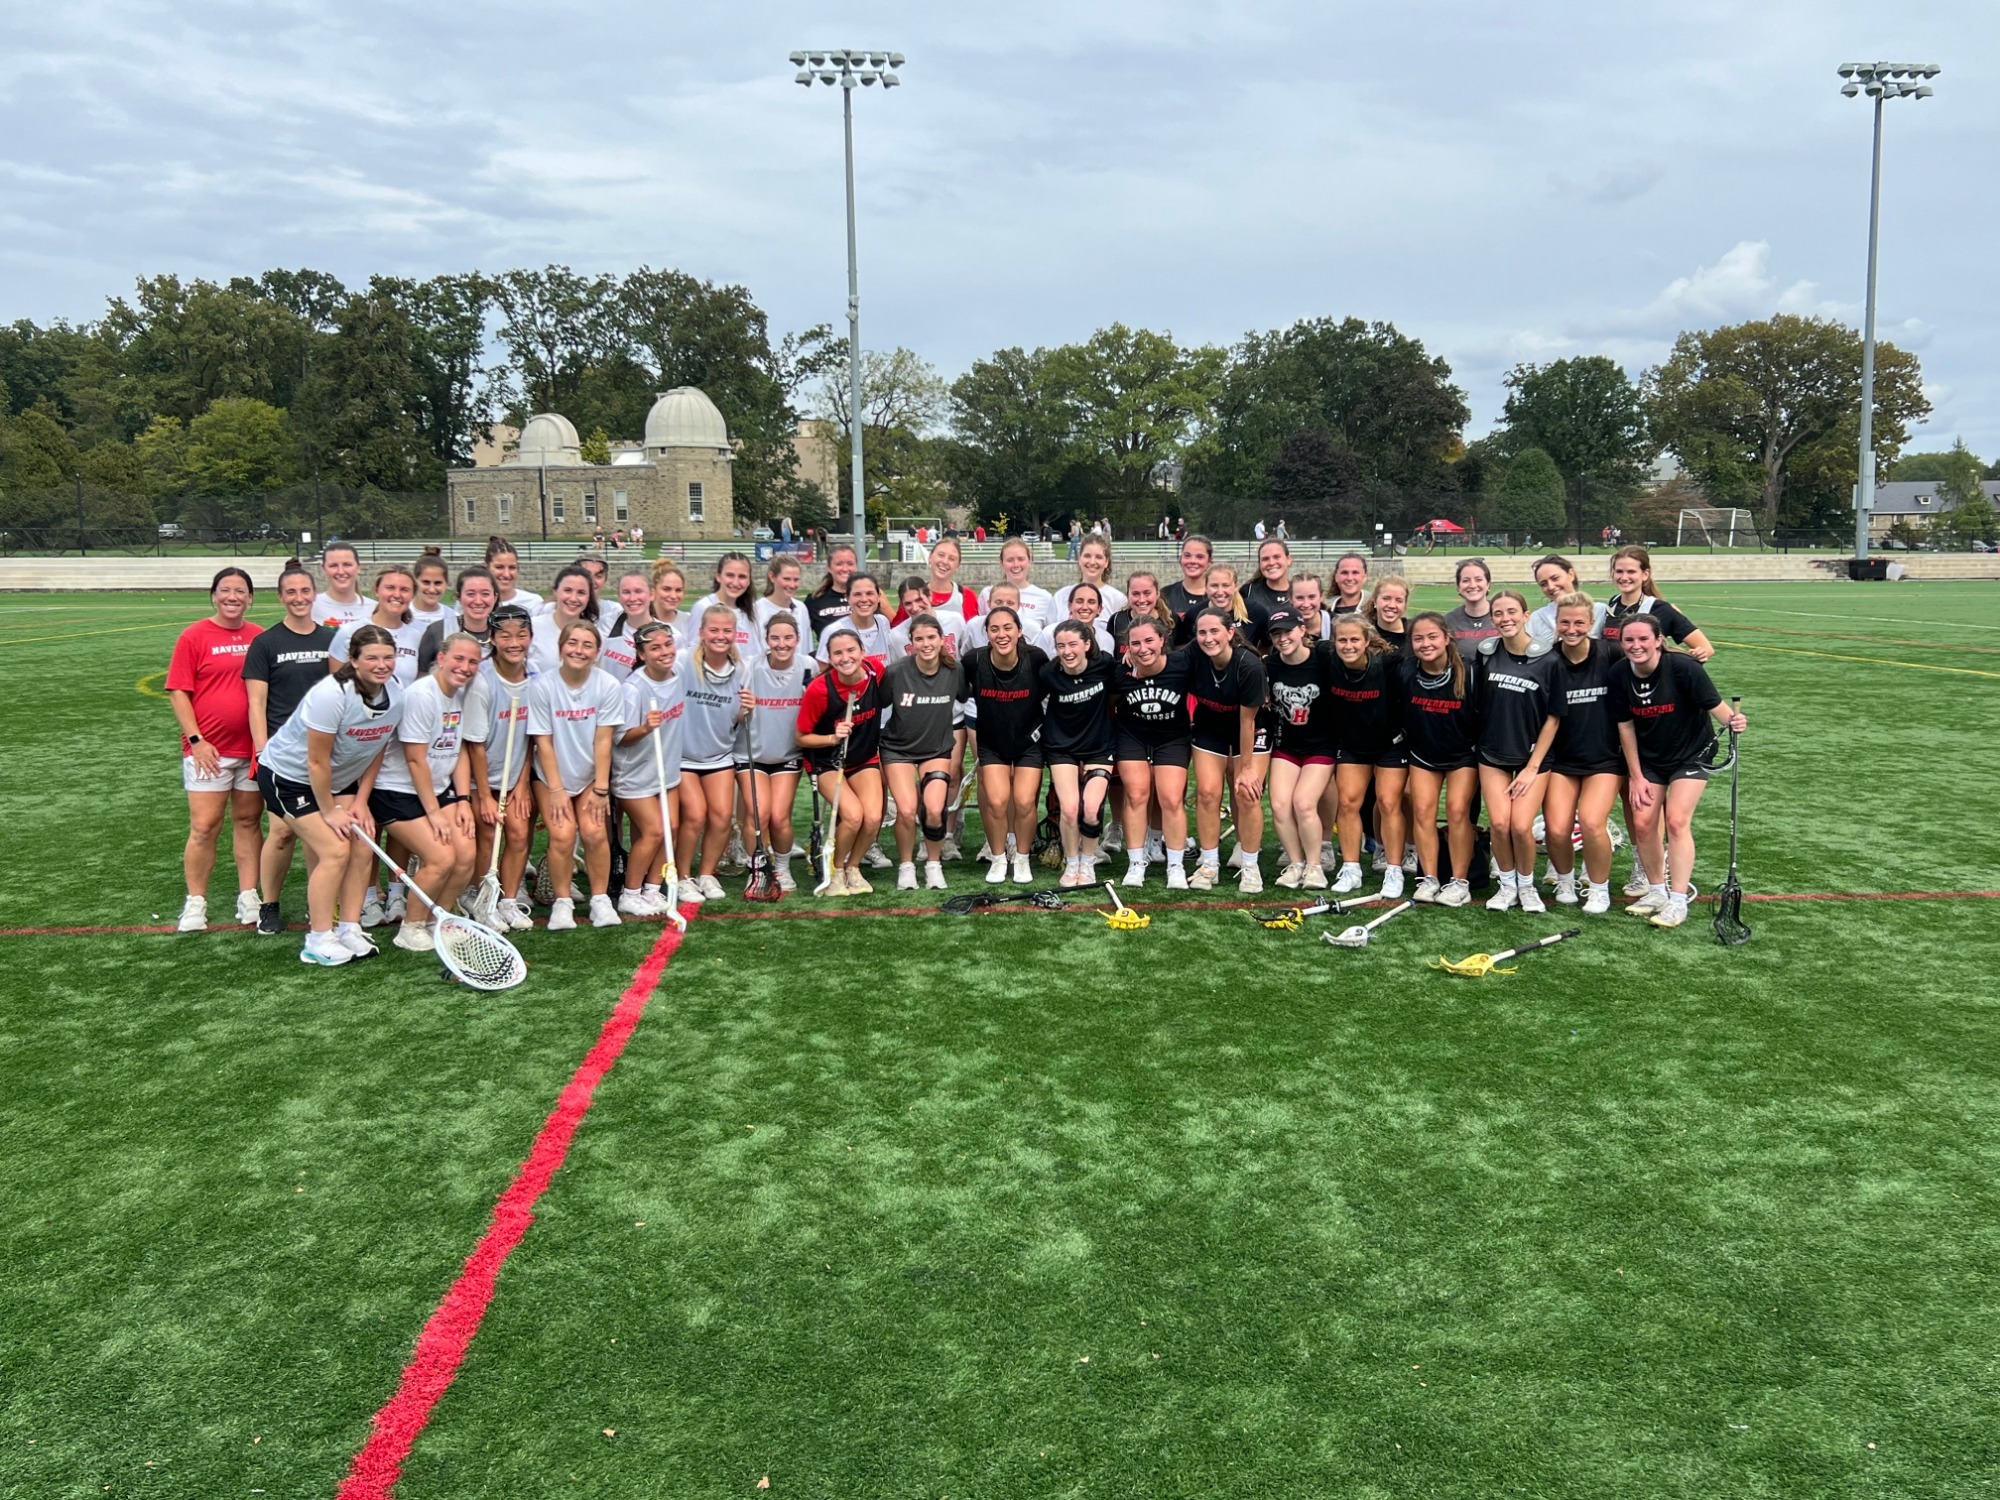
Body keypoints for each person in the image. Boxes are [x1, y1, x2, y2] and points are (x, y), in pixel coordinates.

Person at [254, 625, 405, 965]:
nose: (381, 665)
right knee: (335, 849)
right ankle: (318, 939)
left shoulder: (396, 693)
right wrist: (330, 811)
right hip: (289, 777)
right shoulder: (331, 695)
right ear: (353, 660)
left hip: (340, 779)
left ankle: (350, 929)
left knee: (362, 844)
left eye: (388, 657)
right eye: (372, 658)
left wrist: (362, 800)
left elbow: (376, 747)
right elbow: (316, 760)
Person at [1611, 616, 1747, 929]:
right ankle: (1656, 891)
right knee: (1644, 822)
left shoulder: (1684, 668)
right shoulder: (1618, 674)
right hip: (1650, 759)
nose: (1636, 646)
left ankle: (1677, 899)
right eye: (1629, 640)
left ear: (1659, 640)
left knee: (1675, 819)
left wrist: (1736, 721)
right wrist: (1636, 775)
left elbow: (1719, 709)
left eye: (1643, 639)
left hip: (1691, 755)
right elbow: (1625, 726)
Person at [166, 567, 265, 932]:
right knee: (205, 826)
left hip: (252, 750)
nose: (232, 597)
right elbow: (178, 691)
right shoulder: (194, 636)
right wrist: (196, 740)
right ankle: (196, 901)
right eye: (225, 590)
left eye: (240, 591)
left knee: (248, 822)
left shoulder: (260, 637)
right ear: (213, 595)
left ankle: (248, 894)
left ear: (251, 598)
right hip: (209, 752)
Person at [370, 633, 482, 952]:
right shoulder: (422, 694)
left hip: (437, 788)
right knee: (441, 858)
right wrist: (434, 814)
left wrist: (461, 800)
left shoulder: (459, 694)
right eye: (458, 658)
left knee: (466, 857)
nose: (465, 667)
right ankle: (411, 926)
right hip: (397, 791)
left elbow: (457, 750)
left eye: (472, 661)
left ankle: (440, 920)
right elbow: (415, 759)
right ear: (442, 658)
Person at [244, 559, 335, 933]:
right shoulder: (266, 643)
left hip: (320, 754)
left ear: (315, 595)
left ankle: (321, 910)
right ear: (281, 597)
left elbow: (339, 698)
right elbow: (256, 703)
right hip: (281, 758)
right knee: (281, 832)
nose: (299, 598)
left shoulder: (330, 641)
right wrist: (263, 751)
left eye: (305, 590)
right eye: (291, 592)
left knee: (319, 838)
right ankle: (270, 905)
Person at [526, 620, 626, 930]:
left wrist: (599, 788)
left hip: (589, 779)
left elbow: (603, 740)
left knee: (595, 833)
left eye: (587, 645)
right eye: (573, 643)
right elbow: (543, 741)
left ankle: (600, 901)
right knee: (562, 834)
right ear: (560, 648)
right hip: (550, 776)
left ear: (597, 652)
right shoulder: (542, 686)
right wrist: (556, 790)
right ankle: (562, 903)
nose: (578, 650)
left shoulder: (608, 685)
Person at [1475, 589, 1565, 913]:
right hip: (1492, 753)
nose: (1505, 619)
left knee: (1520, 826)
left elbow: (1553, 718)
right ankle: (1506, 885)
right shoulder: (1485, 654)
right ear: (1491, 619)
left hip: (1533, 759)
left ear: (1526, 616)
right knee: (1499, 824)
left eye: (1512, 612)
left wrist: (1531, 767)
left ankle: (1527, 887)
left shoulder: (1549, 659)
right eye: (1498, 614)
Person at [1543, 591, 1624, 916]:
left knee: (1591, 822)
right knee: (1557, 828)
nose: (1572, 628)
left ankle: (1599, 888)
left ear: (1591, 624)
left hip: (1604, 759)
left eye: (1579, 622)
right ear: (1557, 624)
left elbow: (1654, 659)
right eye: (1566, 622)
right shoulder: (1548, 659)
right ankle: (1565, 880)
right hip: (1562, 760)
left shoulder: (1612, 653)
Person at [796, 629, 889, 894]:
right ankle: (835, 870)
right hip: (827, 762)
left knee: (872, 818)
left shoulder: (875, 672)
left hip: (863, 757)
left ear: (862, 652)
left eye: (851, 650)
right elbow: (801, 737)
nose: (845, 657)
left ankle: (853, 867)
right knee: (853, 816)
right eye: (838, 653)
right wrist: (831, 738)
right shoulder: (819, 689)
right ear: (829, 657)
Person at [1397, 611, 1479, 906]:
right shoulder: (1406, 671)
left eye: (1432, 636)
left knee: (1458, 811)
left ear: (1447, 638)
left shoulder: (1470, 672)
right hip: (1423, 754)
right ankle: (1429, 878)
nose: (1425, 643)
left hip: (1462, 755)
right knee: (1422, 811)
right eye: (1418, 638)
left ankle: (1459, 881)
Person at [961, 605, 1046, 885]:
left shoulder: (1034, 659)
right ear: (986, 633)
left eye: (1008, 627)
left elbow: (1053, 688)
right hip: (992, 742)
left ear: (1019, 631)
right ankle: (998, 858)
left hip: (1028, 743)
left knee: (1023, 801)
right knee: (997, 802)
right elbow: (959, 690)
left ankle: (1022, 858)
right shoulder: (974, 661)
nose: (1002, 634)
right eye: (994, 629)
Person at [675, 605, 755, 903]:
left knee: (722, 817)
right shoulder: (683, 662)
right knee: (695, 816)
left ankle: (706, 874)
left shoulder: (743, 669)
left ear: (735, 635)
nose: (721, 636)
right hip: (683, 756)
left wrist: (746, 710)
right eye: (714, 630)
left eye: (727, 631)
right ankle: (683, 877)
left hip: (719, 754)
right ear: (701, 632)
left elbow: (736, 719)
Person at [881, 615, 966, 890]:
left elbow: (969, 697)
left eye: (932, 638)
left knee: (933, 809)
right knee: (906, 811)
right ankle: (906, 867)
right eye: (919, 639)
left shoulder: (955, 671)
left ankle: (933, 864)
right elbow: (876, 704)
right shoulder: (896, 672)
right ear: (911, 644)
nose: (926, 644)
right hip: (898, 750)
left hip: (937, 749)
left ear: (943, 640)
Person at [1187, 606, 1268, 892]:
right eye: (1202, 632)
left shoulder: (1249, 665)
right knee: (1208, 792)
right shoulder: (1194, 654)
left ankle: (1250, 865)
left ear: (1230, 633)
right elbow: (1165, 663)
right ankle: (1209, 864)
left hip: (1251, 728)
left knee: (1246, 792)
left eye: (1215, 631)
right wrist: (1133, 658)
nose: (1208, 638)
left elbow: (1248, 722)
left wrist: (1245, 769)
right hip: (1211, 727)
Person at [1110, 617, 1196, 888]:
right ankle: (1136, 863)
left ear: (1162, 641)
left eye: (1149, 640)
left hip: (1172, 737)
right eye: (1135, 643)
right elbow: (1109, 703)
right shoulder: (1120, 673)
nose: (1143, 648)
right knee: (1136, 795)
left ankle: (1175, 865)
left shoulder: (1182, 665)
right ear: (1127, 647)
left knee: (1171, 798)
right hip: (1132, 736)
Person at [466, 605, 537, 932]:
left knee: (520, 833)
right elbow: (475, 745)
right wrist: (483, 795)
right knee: (489, 835)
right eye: (505, 636)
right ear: (492, 639)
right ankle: (484, 900)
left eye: (521, 635)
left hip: (515, 774)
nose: (514, 642)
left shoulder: (534, 677)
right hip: (479, 777)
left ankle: (508, 900)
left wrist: (521, 785)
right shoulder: (481, 681)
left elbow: (530, 740)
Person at [1328, 614, 1407, 897]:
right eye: (1342, 640)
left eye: (1354, 639)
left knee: (1387, 802)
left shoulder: (1388, 664)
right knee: (1347, 803)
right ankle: (1351, 868)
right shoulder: (1328, 660)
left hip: (1389, 743)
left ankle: (1394, 870)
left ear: (1367, 641)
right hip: (1352, 744)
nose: (1348, 646)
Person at [611, 621, 686, 916]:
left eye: (667, 644)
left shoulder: (678, 676)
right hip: (634, 775)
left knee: (672, 828)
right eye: (655, 648)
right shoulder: (633, 689)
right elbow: (620, 739)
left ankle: (653, 889)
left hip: (666, 771)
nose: (664, 651)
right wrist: (644, 728)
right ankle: (630, 893)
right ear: (641, 654)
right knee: (654, 831)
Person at [1262, 608, 1340, 890]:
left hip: (1321, 745)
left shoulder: (1323, 658)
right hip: (1287, 745)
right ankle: (1296, 863)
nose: (1283, 638)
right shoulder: (1270, 665)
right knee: (1280, 805)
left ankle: (1315, 865)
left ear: (1302, 630)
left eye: (1288, 631)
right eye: (1276, 634)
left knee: (1304, 803)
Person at [1038, 620, 1118, 888]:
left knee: (1091, 810)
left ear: (1087, 644)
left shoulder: (1105, 665)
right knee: (1070, 810)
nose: (1067, 651)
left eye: (1073, 644)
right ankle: (1072, 864)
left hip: (1099, 746)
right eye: (1061, 646)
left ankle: (1088, 861)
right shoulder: (1049, 673)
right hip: (1061, 747)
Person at [746, 614, 813, 891]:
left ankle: (782, 869)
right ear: (766, 640)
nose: (781, 643)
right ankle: (758, 870)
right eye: (775, 637)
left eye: (788, 638)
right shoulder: (751, 667)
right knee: (759, 815)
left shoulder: (808, 666)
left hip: (787, 754)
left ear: (797, 639)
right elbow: (735, 713)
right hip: (751, 755)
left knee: (779, 816)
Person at [1603, 545, 1715, 658]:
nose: (1624, 577)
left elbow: (1706, 648)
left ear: (1645, 574)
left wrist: (1697, 655)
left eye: (1631, 572)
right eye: (1619, 571)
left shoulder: (1661, 609)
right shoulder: (1612, 605)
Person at [330, 567, 427, 685]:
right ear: (377, 591)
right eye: (390, 588)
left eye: (404, 590)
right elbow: (335, 683)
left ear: (412, 595)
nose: (397, 594)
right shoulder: (349, 631)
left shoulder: (419, 635)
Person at [417, 566, 497, 675]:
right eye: (470, 594)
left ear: (495, 597)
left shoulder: (502, 633)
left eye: (485, 594)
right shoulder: (437, 631)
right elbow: (421, 678)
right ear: (459, 597)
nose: (478, 601)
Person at [528, 565, 601, 674]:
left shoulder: (595, 636)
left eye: (581, 593)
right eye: (567, 590)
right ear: (555, 591)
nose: (573, 598)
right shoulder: (532, 628)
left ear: (589, 596)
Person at [1528, 554, 1609, 649]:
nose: (1551, 587)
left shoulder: (1600, 611)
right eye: (1543, 584)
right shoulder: (1537, 618)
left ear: (1571, 574)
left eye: (1555, 578)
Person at [692, 551, 759, 660]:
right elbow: (693, 651)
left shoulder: (751, 612)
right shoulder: (703, 607)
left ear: (749, 581)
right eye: (730, 575)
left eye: (742, 577)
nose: (735, 582)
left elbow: (755, 654)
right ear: (718, 576)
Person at [816, 572, 894, 661]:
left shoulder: (883, 622)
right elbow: (823, 669)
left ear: (879, 596)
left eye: (869, 593)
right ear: (847, 597)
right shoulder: (833, 631)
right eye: (857, 594)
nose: (864, 599)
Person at [982, 539, 1054, 634]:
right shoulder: (987, 593)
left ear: (1029, 561)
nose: (1016, 565)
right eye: (1010, 560)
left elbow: (1050, 637)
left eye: (1021, 559)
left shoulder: (1044, 597)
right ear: (1002, 563)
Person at [597, 570, 658, 680]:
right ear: (619, 596)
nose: (632, 598)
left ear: (652, 594)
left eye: (638, 591)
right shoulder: (606, 624)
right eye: (626, 592)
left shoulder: (670, 635)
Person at [1031, 581, 1117, 657]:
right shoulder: (1049, 633)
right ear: (1070, 606)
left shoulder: (1107, 640)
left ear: (1099, 609)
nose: (1084, 607)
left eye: (1091, 602)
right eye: (1079, 601)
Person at [1052, 536, 1128, 622]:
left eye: (1098, 557)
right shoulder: (1061, 596)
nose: (1092, 562)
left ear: (1106, 562)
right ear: (1080, 559)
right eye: (1087, 556)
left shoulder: (1117, 599)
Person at [755, 554, 815, 652]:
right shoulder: (757, 610)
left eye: (796, 580)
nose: (792, 585)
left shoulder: (801, 608)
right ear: (772, 576)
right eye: (786, 579)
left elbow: (807, 648)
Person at [1107, 571, 1175, 652]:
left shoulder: (1171, 620)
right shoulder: (1116, 620)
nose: (1142, 599)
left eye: (1147, 593)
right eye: (1136, 594)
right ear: (1127, 595)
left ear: (1157, 594)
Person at [805, 543, 860, 643]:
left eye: (850, 564)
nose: (845, 568)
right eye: (839, 564)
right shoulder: (814, 601)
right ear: (829, 567)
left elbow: (892, 626)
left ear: (856, 567)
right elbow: (800, 636)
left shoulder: (868, 596)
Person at [1162, 535, 1213, 643]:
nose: (1192, 561)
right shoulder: (1165, 594)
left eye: (1199, 557)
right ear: (1181, 559)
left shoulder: (1217, 597)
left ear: (1209, 561)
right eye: (1187, 555)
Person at [313, 541, 371, 629]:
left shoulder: (374, 609)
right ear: (323, 569)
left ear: (358, 568)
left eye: (347, 565)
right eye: (333, 565)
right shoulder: (311, 607)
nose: (340, 571)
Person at [1443, 558, 1499, 648]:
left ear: (1488, 584)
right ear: (1458, 587)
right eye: (1466, 580)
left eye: (1478, 579)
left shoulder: (1503, 616)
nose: (1472, 585)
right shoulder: (1448, 621)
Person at [1244, 539, 1294, 639]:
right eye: (1265, 559)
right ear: (1259, 563)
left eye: (1276, 557)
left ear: (1288, 559)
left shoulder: (1300, 591)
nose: (1271, 562)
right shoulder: (1248, 591)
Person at [485, 536, 541, 611]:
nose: (506, 574)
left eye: (512, 567)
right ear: (486, 567)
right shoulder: (472, 604)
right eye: (499, 567)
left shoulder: (534, 603)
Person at [1362, 575, 1412, 654]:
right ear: (1375, 601)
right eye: (1386, 598)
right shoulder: (1366, 635)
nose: (1392, 605)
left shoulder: (1414, 632)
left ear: (1405, 605)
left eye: (1399, 600)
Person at [410, 549, 456, 634]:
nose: (432, 589)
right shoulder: (401, 614)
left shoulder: (454, 619)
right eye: (426, 582)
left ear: (446, 583)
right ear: (414, 581)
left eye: (438, 583)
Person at [648, 560, 691, 651]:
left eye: (678, 590)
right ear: (653, 591)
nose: (673, 596)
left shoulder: (690, 621)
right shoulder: (642, 621)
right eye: (666, 589)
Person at [1288, 572, 1334, 641]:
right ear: (1291, 599)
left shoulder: (1336, 624)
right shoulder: (1283, 627)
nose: (1306, 604)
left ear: (1321, 596)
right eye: (1300, 598)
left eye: (1311, 597)